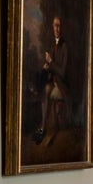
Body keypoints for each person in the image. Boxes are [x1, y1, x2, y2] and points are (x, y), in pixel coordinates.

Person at [34, 15, 70, 146]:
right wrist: (47, 66)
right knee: (44, 90)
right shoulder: (52, 44)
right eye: (55, 25)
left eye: (59, 25)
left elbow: (62, 72)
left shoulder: (65, 46)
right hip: (53, 82)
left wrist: (51, 62)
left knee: (47, 92)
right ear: (52, 27)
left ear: (62, 27)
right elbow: (53, 68)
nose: (57, 28)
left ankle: (46, 129)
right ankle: (43, 128)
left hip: (62, 85)